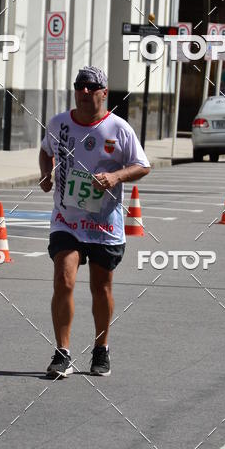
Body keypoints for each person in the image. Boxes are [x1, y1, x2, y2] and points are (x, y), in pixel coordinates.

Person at [39, 66, 150, 378]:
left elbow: (142, 165)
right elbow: (45, 151)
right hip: (66, 218)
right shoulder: (59, 123)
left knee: (101, 287)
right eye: (79, 86)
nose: (84, 92)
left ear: (104, 92)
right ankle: (62, 353)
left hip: (104, 223)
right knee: (64, 279)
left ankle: (101, 348)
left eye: (91, 87)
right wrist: (46, 173)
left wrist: (115, 176)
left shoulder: (119, 129)